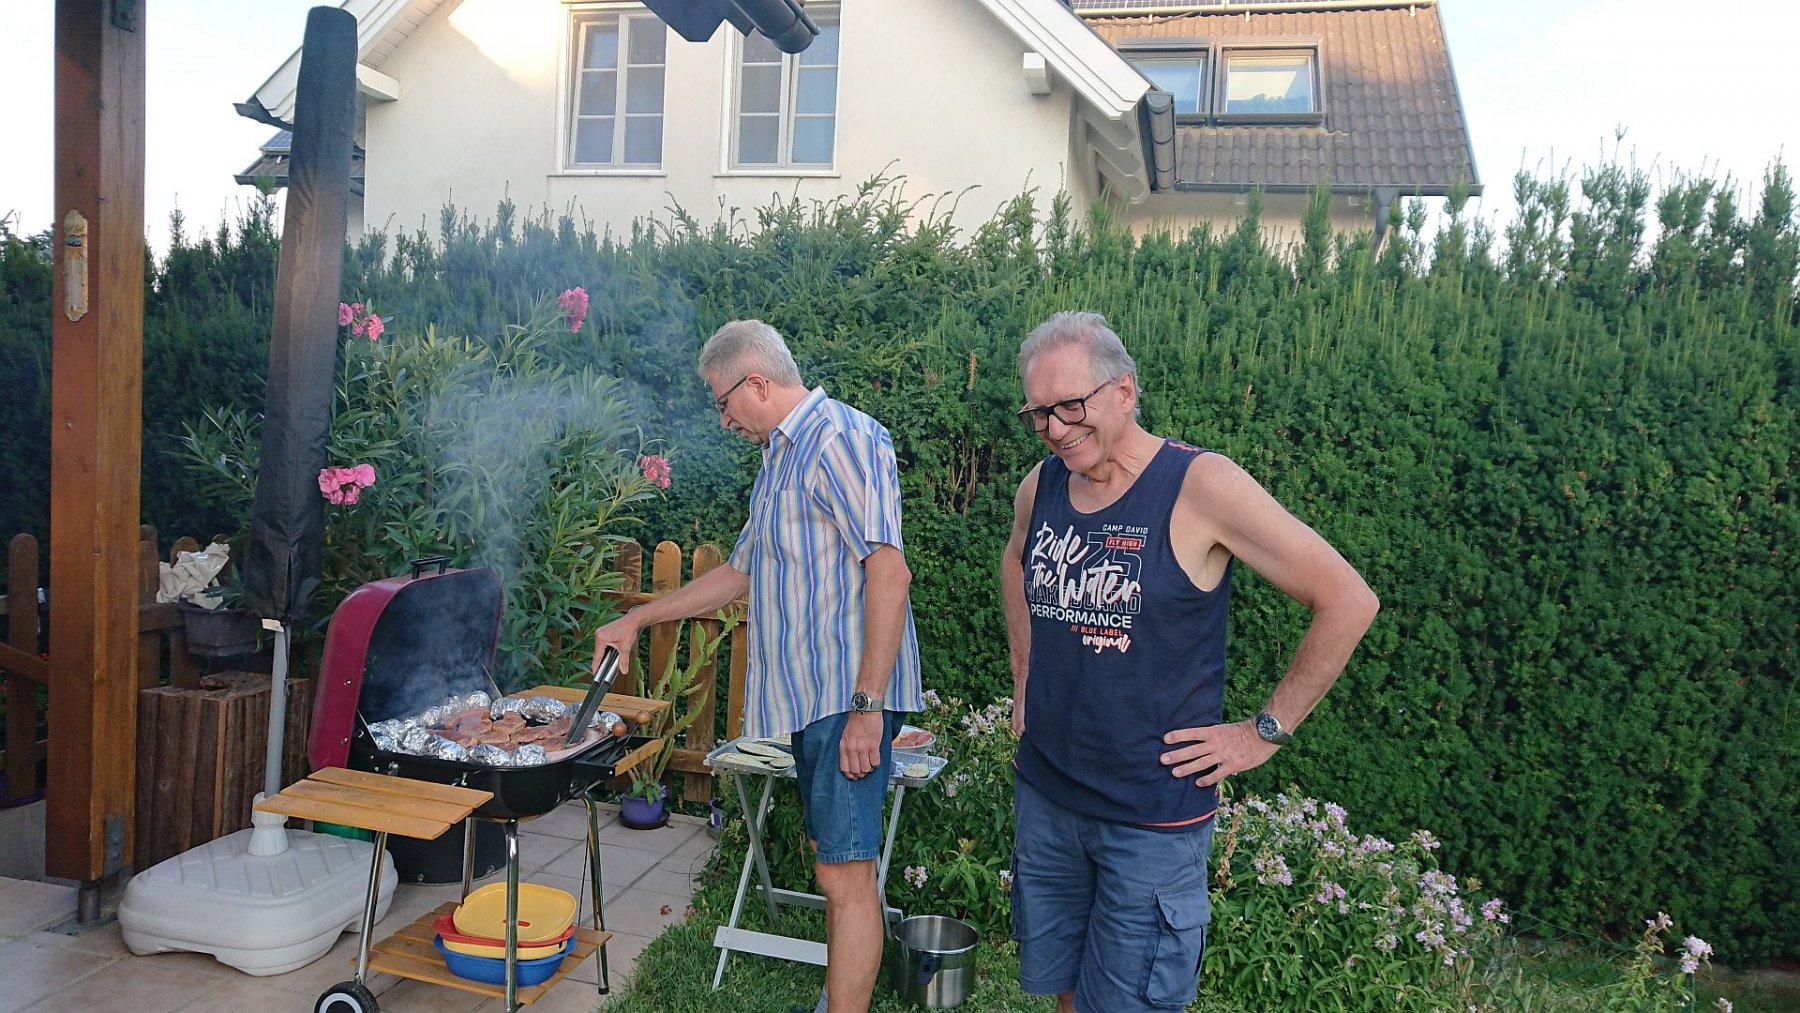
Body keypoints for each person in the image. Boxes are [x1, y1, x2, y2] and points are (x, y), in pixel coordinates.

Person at [999, 311, 1379, 1013]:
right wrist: (1025, 675)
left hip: (1150, 820)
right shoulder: (1042, 485)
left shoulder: (1200, 485)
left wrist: (1263, 732)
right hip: (1048, 796)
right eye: (1039, 413)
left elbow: (1348, 599)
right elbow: (1017, 559)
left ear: (1124, 391)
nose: (1054, 428)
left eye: (1070, 405)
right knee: (1067, 993)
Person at [591, 319, 923, 1013]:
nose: (723, 419)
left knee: (846, 877)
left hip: (845, 697)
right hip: (815, 700)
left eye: (723, 402)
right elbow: (739, 572)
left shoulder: (840, 437)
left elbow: (889, 573)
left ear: (757, 382)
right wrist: (637, 619)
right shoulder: (780, 458)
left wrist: (868, 707)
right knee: (838, 868)